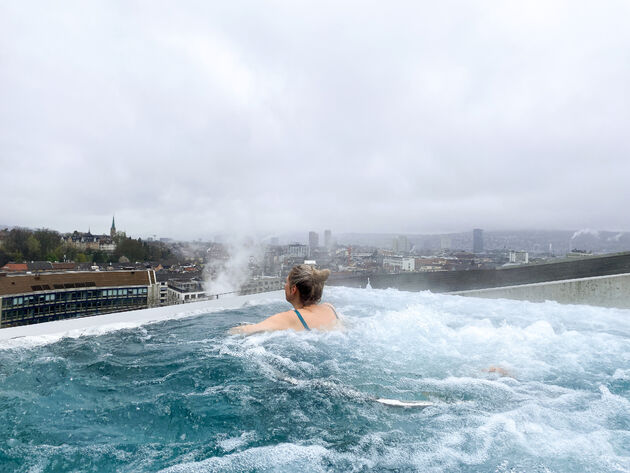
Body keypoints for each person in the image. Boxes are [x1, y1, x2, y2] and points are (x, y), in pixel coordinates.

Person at [230, 265, 340, 335]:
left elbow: (247, 330)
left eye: (286, 282)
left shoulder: (290, 317)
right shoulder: (330, 308)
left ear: (293, 289)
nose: (284, 286)